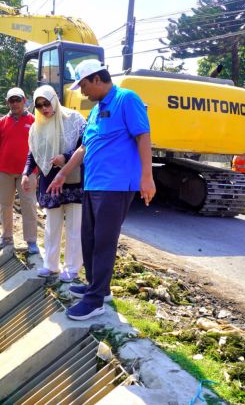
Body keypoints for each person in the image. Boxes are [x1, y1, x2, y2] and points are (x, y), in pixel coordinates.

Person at [47, 59, 156, 320]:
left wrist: (147, 177)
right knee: (89, 239)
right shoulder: (96, 110)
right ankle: (98, 287)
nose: (82, 91)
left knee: (104, 242)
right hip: (93, 184)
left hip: (116, 185)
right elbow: (84, 148)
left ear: (97, 79)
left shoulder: (126, 99)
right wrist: (62, 173)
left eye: (83, 85)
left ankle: (95, 301)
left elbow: (143, 136)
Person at [22, 85, 86, 282]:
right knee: (52, 226)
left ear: (55, 100)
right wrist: (26, 173)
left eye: (46, 103)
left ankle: (72, 268)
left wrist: (65, 157)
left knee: (75, 227)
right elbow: (33, 152)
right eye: (39, 105)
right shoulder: (36, 126)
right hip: (50, 181)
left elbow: (85, 146)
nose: (44, 109)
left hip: (73, 180)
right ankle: (51, 266)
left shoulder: (74, 120)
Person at [0, 87, 39, 253]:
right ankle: (6, 237)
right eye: (12, 100)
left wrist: (38, 171)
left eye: (18, 100)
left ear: (24, 101)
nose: (15, 103)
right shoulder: (1, 123)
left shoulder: (34, 121)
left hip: (28, 172)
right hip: (4, 171)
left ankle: (31, 241)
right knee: (5, 205)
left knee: (29, 205)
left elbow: (39, 148)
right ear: (7, 103)